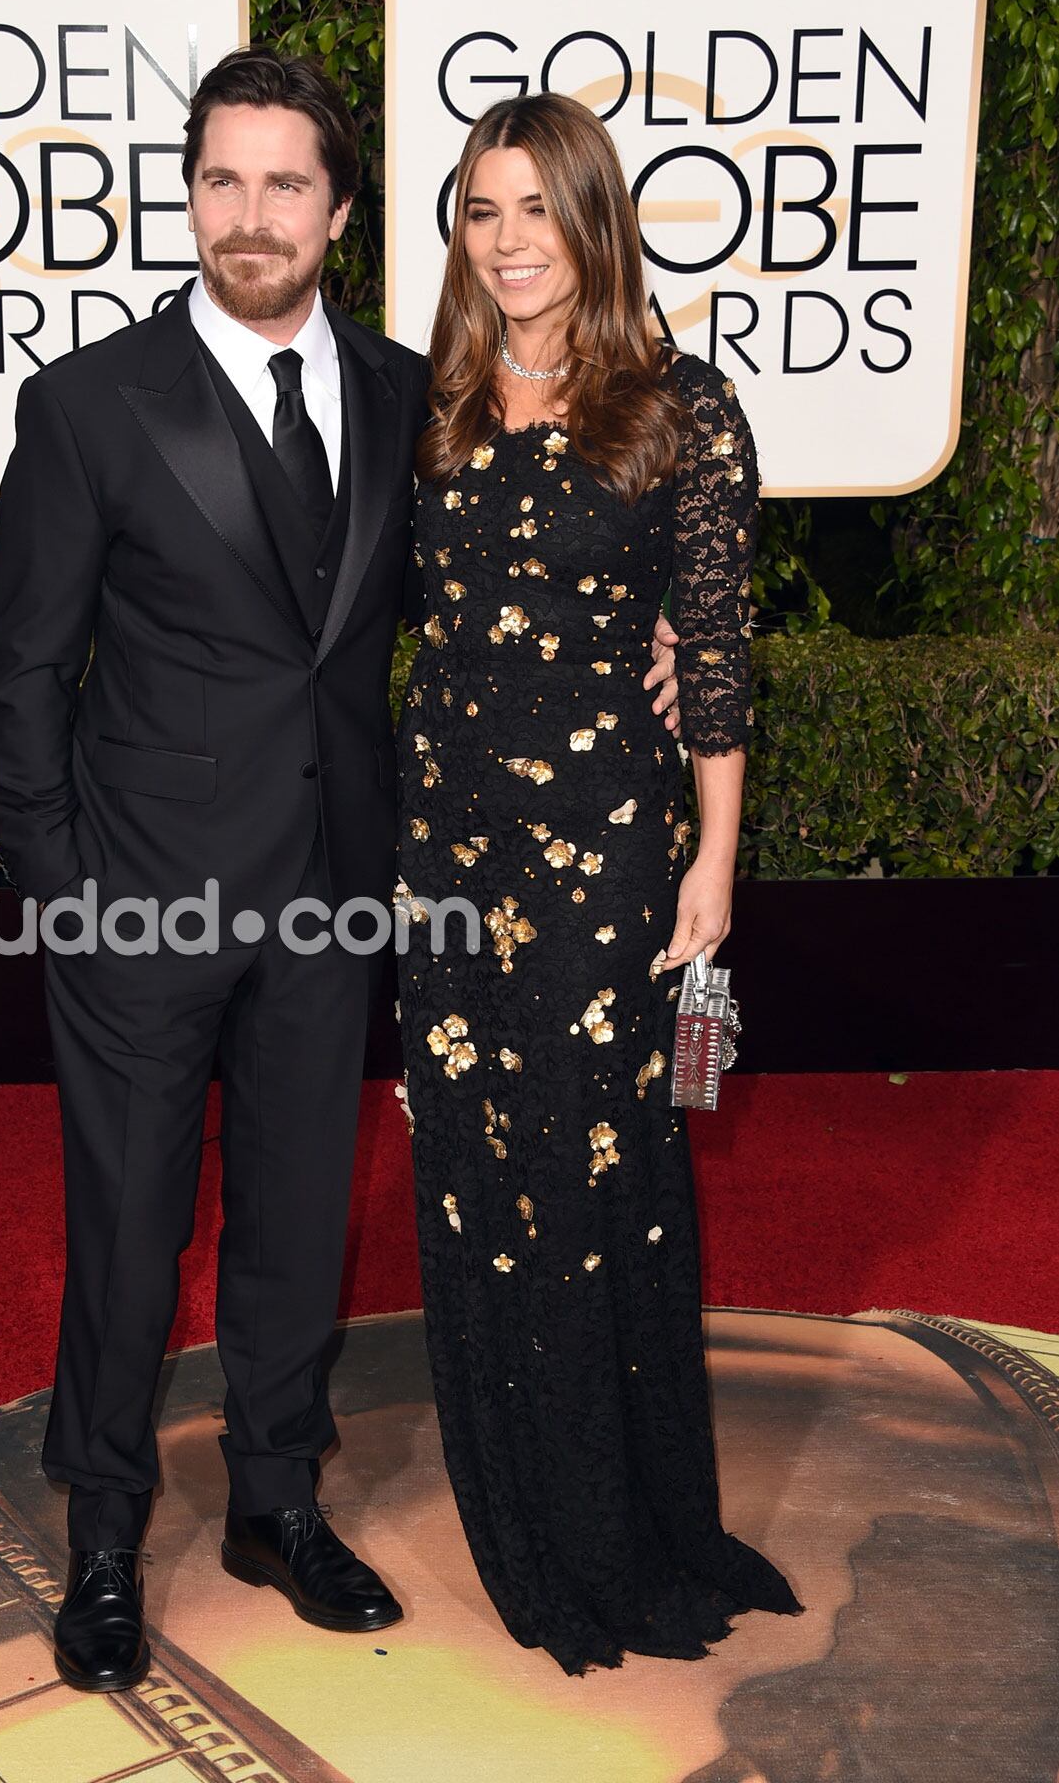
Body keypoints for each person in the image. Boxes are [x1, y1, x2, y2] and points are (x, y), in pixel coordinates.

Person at [0, 47, 681, 1694]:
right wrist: (62, 885)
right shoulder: (88, 403)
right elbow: (26, 671)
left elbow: (503, 575)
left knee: (300, 1217)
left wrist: (648, 631)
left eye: (283, 182)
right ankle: (100, 1531)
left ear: (341, 211)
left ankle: (275, 1502)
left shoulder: (400, 394)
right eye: (220, 179)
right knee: (130, 1230)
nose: (249, 213)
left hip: (337, 889)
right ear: (188, 197)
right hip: (139, 897)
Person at [395, 91, 804, 1676]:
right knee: (473, 1166)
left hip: (606, 854)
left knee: (595, 1161)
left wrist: (712, 856)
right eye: (480, 213)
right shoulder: (425, 403)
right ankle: (527, 1508)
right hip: (444, 847)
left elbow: (711, 652)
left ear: (593, 221)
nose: (506, 244)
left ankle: (623, 1518)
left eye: (534, 211)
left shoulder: (680, 409)